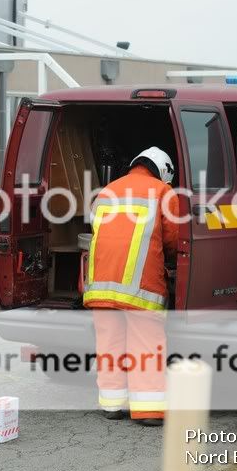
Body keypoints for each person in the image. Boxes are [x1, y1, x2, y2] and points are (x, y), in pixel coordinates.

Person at [83, 146, 179, 427]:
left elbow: (98, 231)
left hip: (100, 286)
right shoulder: (163, 192)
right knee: (146, 345)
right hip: (140, 288)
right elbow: (173, 239)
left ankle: (111, 405)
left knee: (109, 344)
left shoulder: (107, 191)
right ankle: (148, 410)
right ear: (164, 173)